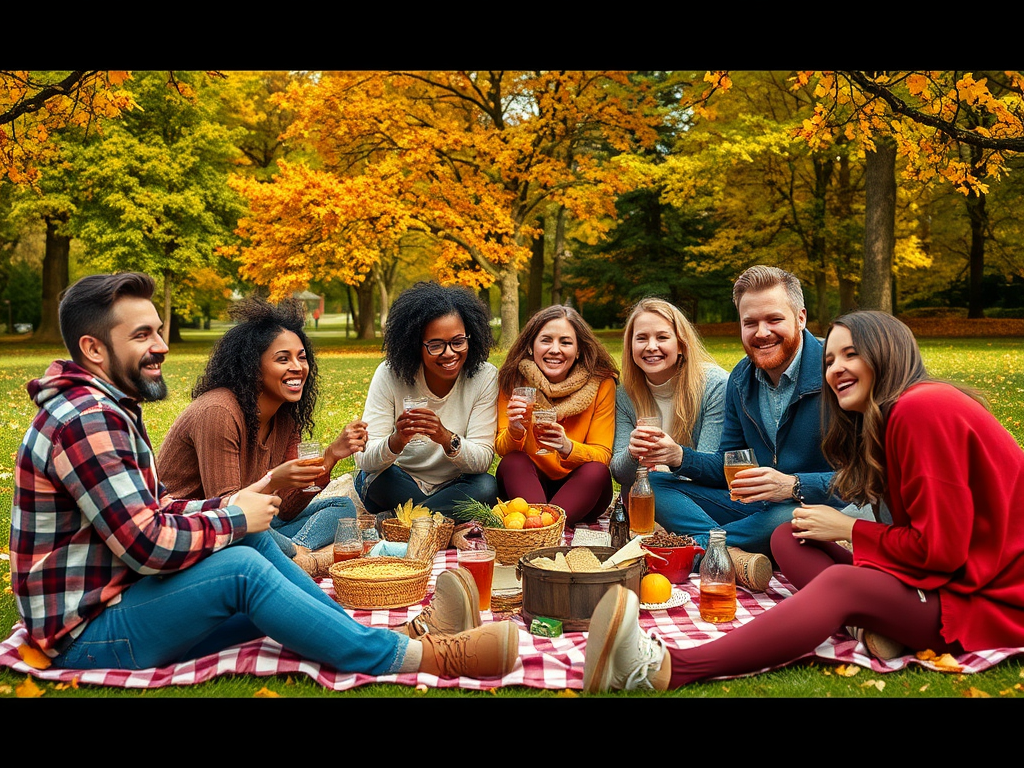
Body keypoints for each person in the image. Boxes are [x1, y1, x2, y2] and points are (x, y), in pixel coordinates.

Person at [9, 272, 519, 679]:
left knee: (258, 557)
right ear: (94, 349)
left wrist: (249, 506)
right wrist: (235, 515)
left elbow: (157, 513)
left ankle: (403, 638)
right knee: (243, 564)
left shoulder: (106, 408)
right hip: (88, 632)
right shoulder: (87, 419)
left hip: (129, 597)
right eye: (142, 335)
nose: (161, 345)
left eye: (159, 331)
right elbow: (147, 544)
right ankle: (426, 658)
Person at [582, 310, 1024, 691]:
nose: (835, 369)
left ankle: (666, 668)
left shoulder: (923, 409)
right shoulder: (889, 414)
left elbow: (941, 554)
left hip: (985, 601)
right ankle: (871, 623)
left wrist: (846, 527)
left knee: (839, 582)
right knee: (788, 536)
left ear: (888, 352)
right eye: (830, 359)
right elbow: (728, 464)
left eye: (851, 354)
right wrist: (682, 458)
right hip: (944, 580)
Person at [647, 265, 846, 592]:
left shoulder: (836, 369)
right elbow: (730, 465)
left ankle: (696, 550)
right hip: (755, 505)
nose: (762, 332)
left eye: (774, 320)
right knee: (654, 485)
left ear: (801, 318)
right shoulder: (740, 379)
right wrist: (679, 456)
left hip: (810, 507)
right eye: (750, 323)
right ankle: (733, 551)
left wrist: (792, 485)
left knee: (785, 519)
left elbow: (863, 480)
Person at [158, 296, 366, 578]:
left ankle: (292, 556)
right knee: (258, 531)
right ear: (253, 367)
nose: (298, 367)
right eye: (283, 359)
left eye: (302, 357)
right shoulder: (218, 411)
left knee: (341, 507)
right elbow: (231, 514)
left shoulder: (285, 416)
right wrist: (273, 482)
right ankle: (296, 558)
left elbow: (288, 510)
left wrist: (330, 457)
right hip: (196, 531)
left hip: (254, 525)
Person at [355, 281, 499, 517]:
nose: (450, 353)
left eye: (458, 341)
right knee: (375, 480)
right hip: (399, 480)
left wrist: (445, 437)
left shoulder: (484, 376)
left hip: (454, 484)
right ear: (415, 345)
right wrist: (397, 441)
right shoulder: (390, 374)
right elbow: (365, 460)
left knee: (486, 486)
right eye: (436, 345)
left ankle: (401, 521)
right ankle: (440, 519)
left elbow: (482, 460)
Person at [495, 305, 618, 527]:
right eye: (546, 340)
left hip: (580, 488)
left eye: (566, 342)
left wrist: (567, 447)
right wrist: (514, 430)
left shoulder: (601, 383)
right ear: (531, 347)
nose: (555, 349)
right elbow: (502, 450)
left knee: (596, 471)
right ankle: (545, 529)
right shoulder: (513, 381)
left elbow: (603, 455)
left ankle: (543, 528)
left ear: (579, 350)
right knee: (513, 462)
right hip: (527, 484)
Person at [610, 297, 728, 503]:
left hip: (700, 500)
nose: (651, 346)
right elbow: (621, 475)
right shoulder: (624, 395)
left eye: (662, 337)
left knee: (651, 488)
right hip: (645, 499)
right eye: (641, 338)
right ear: (630, 347)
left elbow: (712, 471)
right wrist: (632, 453)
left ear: (681, 344)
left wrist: (677, 456)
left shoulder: (714, 385)